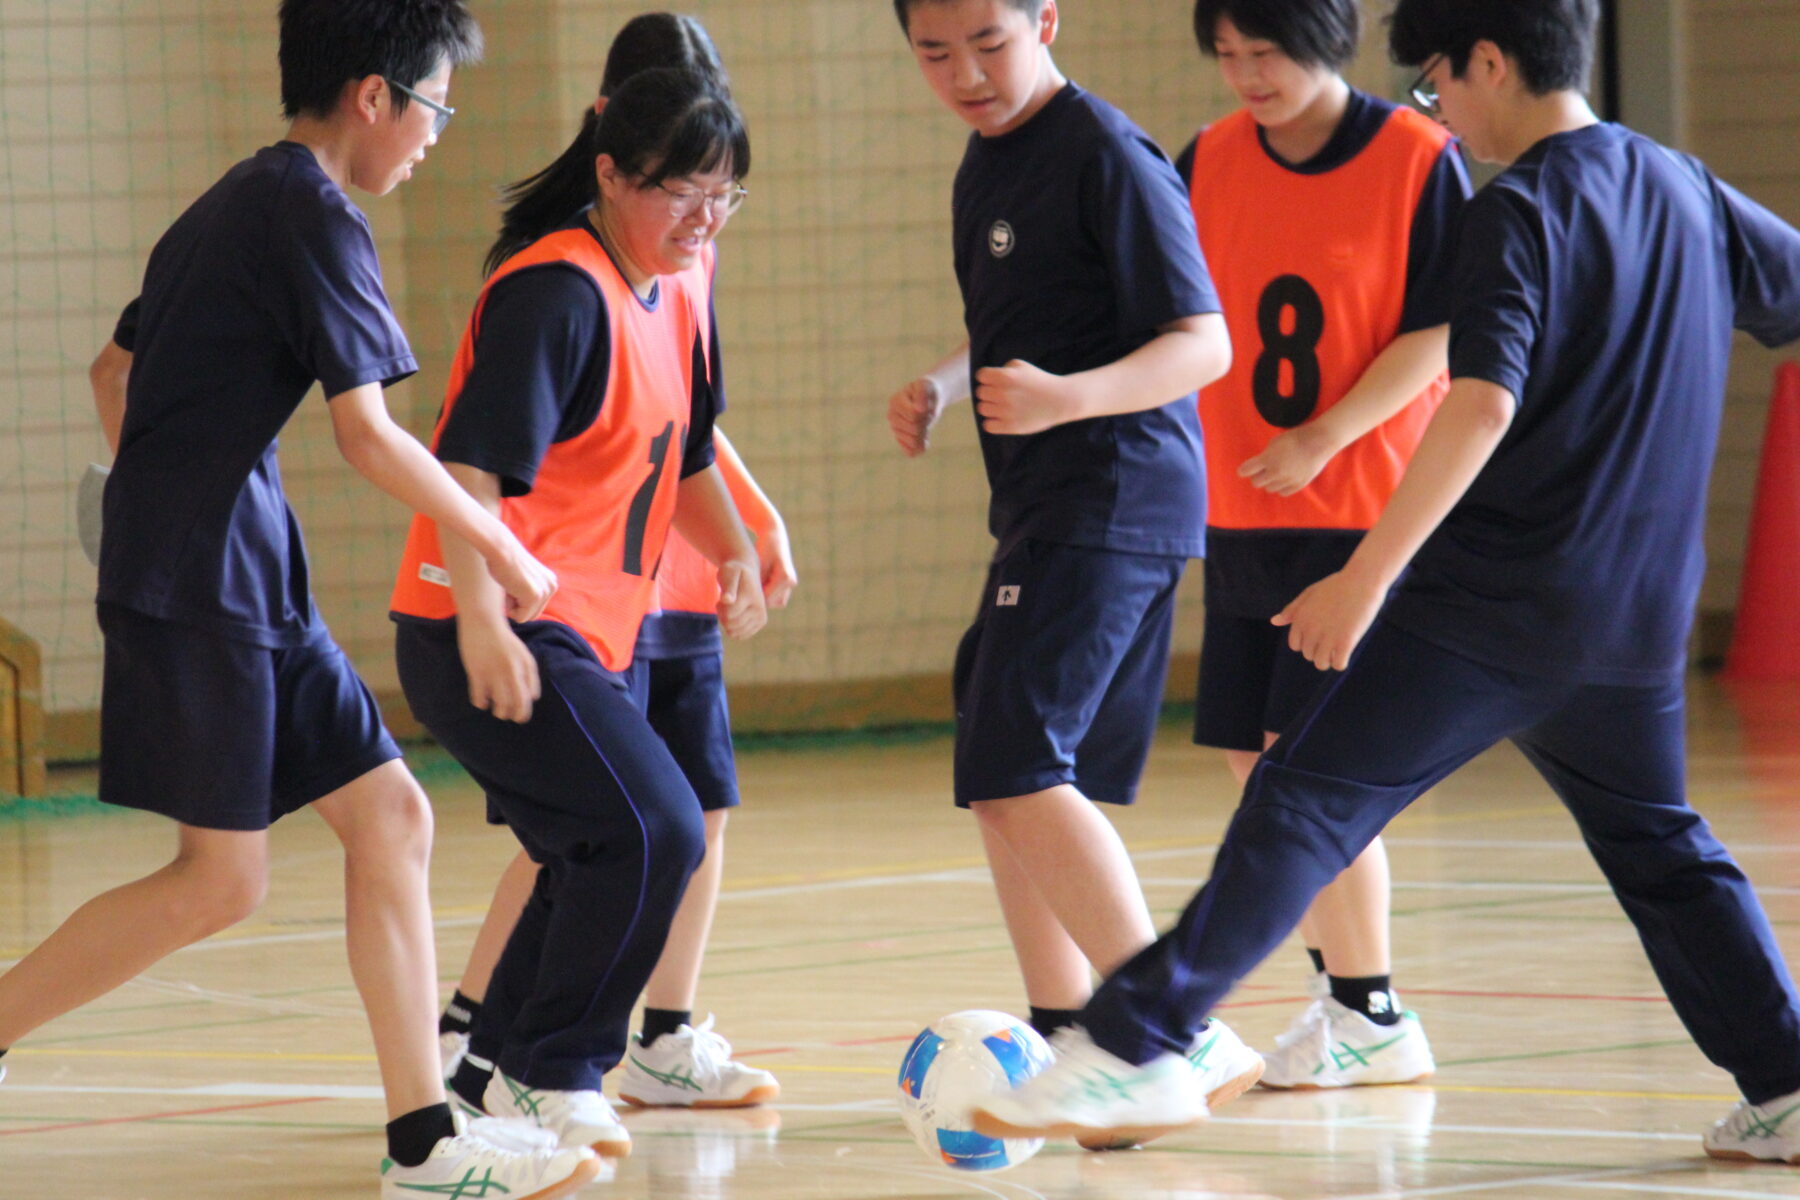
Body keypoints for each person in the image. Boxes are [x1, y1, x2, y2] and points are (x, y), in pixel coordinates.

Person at [972, 0, 1800, 1156]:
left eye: (1442, 83)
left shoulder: (1515, 206)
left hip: (1496, 608)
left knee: (1303, 800)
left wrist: (1368, 572)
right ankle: (1787, 1082)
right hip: (1638, 619)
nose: (1442, 111)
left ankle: (1135, 1047)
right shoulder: (1688, 187)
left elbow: (1482, 397)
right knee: (1660, 843)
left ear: (1493, 62)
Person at [0, 3, 602, 1196]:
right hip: (207, 580)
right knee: (221, 881)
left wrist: (161, 497)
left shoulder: (232, 199)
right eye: (433, 103)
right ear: (373, 95)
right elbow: (369, 437)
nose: (437, 131)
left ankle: (424, 1142)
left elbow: (111, 370)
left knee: (393, 820)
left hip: (238, 566)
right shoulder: (315, 218)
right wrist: (493, 537)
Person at [884, 0, 1261, 1138]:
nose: (966, 74)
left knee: (1011, 763)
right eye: (935, 53)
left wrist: (1068, 399)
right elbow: (1022, 324)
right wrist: (950, 386)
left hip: (1112, 497)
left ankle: (1168, 1034)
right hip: (1051, 506)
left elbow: (1204, 341)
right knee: (1006, 767)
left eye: (989, 43)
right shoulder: (984, 167)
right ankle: (1072, 1033)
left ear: (1046, 19)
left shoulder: (1105, 152)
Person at [389, 65, 766, 1158]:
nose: (701, 219)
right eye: (677, 192)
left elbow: (686, 450)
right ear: (609, 174)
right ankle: (558, 1068)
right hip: (489, 614)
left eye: (722, 195)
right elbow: (470, 477)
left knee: (597, 846)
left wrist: (736, 548)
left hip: (579, 623)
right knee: (657, 826)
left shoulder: (672, 286)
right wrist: (480, 625)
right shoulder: (554, 289)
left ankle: (495, 1072)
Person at [1176, 0, 1470, 1087]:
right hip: (1242, 502)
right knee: (1254, 762)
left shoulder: (1414, 156)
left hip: (1358, 507)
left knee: (1314, 772)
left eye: (1268, 52)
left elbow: (1446, 326)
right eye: (1228, 55)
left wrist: (1330, 431)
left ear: (1327, 39)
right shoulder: (1204, 159)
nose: (1247, 76)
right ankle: (1346, 1002)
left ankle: (1372, 1008)